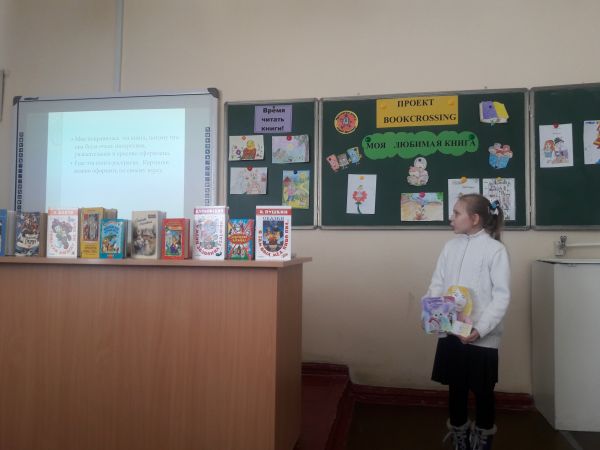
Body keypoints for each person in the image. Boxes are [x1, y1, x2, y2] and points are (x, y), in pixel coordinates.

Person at [425, 194, 510, 450]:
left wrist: (480, 329)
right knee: (456, 387)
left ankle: (483, 435)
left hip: (481, 337)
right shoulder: (450, 247)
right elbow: (437, 283)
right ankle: (459, 432)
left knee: (483, 391)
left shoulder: (495, 250)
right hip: (451, 331)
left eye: (456, 213)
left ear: (474, 219)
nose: (451, 218)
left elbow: (501, 297)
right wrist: (430, 314)